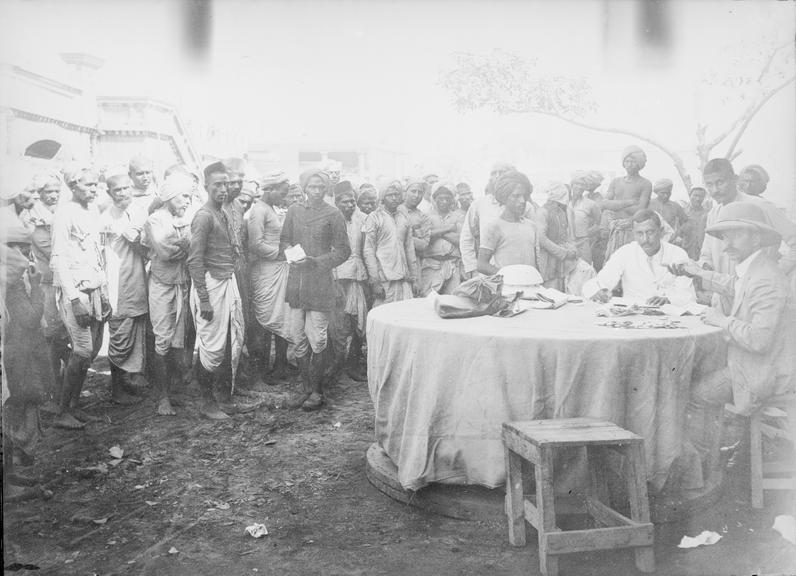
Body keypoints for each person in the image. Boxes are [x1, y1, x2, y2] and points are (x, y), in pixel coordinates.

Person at [673, 203, 795, 482]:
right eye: (725, 237)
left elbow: (760, 339)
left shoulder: (766, 279)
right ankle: (713, 459)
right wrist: (698, 272)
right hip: (753, 363)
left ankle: (702, 470)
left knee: (696, 394)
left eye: (735, 236)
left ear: (756, 238)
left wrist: (721, 320)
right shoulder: (756, 269)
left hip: (765, 371)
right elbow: (733, 286)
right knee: (697, 373)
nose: (727, 244)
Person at [279, 169, 350, 411]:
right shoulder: (294, 211)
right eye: (312, 187)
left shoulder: (334, 214)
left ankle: (317, 391)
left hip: (319, 283)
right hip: (297, 281)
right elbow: (284, 239)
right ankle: (306, 386)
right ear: (304, 188)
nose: (317, 191)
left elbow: (343, 251)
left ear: (327, 189)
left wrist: (316, 262)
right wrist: (292, 254)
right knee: (297, 336)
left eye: (321, 187)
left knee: (317, 338)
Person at [50, 165, 110, 429]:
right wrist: (74, 300)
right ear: (73, 186)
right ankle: (62, 411)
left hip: (95, 287)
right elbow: (59, 259)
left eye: (96, 184)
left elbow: (96, 252)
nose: (94, 189)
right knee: (82, 350)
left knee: (92, 351)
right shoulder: (64, 214)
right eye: (88, 185)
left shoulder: (92, 210)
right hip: (75, 291)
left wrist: (104, 290)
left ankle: (74, 406)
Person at [187, 161, 245, 420]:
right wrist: (204, 299)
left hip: (226, 281)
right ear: (206, 186)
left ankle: (222, 397)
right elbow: (194, 260)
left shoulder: (222, 212)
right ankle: (206, 402)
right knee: (210, 345)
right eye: (217, 185)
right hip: (210, 285)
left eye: (226, 184)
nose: (223, 189)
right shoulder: (203, 216)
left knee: (227, 340)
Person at [699, 159, 796, 302]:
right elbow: (707, 255)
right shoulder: (713, 213)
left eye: (720, 182)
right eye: (709, 185)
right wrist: (701, 269)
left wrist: (776, 272)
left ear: (735, 179)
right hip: (726, 298)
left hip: (760, 296)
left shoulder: (761, 206)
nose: (715, 190)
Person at [1, 223, 52, 498]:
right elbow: (31, 318)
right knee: (14, 409)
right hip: (16, 355)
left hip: (20, 353)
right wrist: (35, 285)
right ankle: (9, 479)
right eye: (17, 251)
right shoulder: (11, 284)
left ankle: (10, 474)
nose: (23, 258)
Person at [142, 173, 194, 416]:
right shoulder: (155, 220)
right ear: (170, 196)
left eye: (190, 197)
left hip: (181, 283)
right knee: (162, 338)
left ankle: (171, 392)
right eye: (184, 196)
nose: (187, 201)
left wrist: (185, 247)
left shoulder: (185, 218)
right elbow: (164, 252)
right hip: (162, 285)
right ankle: (162, 397)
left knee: (178, 339)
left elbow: (193, 247)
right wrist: (185, 246)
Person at [99, 171, 149, 405]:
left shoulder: (136, 211)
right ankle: (117, 391)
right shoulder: (108, 218)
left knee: (134, 332)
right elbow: (142, 245)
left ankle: (128, 382)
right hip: (118, 283)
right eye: (116, 190)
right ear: (109, 193)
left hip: (136, 280)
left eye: (125, 188)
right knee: (120, 336)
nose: (122, 193)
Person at [582, 209, 695, 306]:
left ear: (660, 232)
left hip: (670, 316)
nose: (645, 239)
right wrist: (597, 291)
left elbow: (688, 296)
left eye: (650, 232)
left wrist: (668, 300)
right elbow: (598, 283)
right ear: (634, 234)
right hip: (633, 317)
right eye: (639, 234)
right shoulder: (625, 252)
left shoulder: (677, 254)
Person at [27, 172, 70, 412]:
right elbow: (49, 249)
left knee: (61, 335)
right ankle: (50, 394)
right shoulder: (35, 217)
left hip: (61, 280)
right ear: (40, 194)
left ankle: (59, 389)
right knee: (51, 335)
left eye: (56, 191)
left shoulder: (59, 212)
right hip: (47, 281)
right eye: (48, 192)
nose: (53, 195)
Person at [247, 170, 293, 385]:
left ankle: (281, 365)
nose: (284, 197)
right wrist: (279, 253)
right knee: (264, 320)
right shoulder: (258, 211)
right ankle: (260, 373)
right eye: (282, 193)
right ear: (270, 189)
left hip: (279, 268)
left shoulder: (271, 209)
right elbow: (255, 244)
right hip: (265, 271)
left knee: (281, 315)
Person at [461, 162, 537, 278]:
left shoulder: (526, 207)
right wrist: (472, 268)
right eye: (493, 173)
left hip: (521, 272)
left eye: (502, 172)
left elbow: (532, 242)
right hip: (489, 272)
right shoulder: (479, 204)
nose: (497, 176)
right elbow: (467, 238)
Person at [329, 182, 369, 382]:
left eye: (352, 201)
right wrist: (333, 279)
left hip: (358, 277)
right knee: (338, 324)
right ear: (337, 203)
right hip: (337, 277)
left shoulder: (363, 219)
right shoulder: (330, 220)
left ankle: (353, 363)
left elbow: (366, 249)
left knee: (358, 322)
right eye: (345, 202)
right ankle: (336, 364)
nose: (350, 205)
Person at [363, 180, 418, 306]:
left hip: (404, 279)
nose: (394, 198)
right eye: (390, 195)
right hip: (384, 279)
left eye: (397, 194)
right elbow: (369, 251)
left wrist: (414, 279)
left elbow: (410, 249)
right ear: (383, 197)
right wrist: (375, 281)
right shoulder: (374, 217)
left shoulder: (404, 218)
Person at [476, 171, 539, 275]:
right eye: (516, 196)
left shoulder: (531, 226)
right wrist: (507, 276)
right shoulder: (494, 227)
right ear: (504, 197)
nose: (522, 201)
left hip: (530, 286)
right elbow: (481, 265)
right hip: (507, 289)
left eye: (524, 196)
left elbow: (535, 262)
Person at [602, 146, 652, 260]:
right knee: (613, 261)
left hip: (633, 230)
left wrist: (615, 205)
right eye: (627, 161)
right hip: (615, 229)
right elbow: (605, 204)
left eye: (633, 161)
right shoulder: (615, 182)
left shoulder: (645, 184)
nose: (629, 164)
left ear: (639, 164)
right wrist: (628, 202)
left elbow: (640, 210)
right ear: (623, 163)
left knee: (632, 261)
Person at [419, 182, 464, 296]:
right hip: (431, 265)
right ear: (434, 199)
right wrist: (448, 229)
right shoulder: (426, 216)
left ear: (452, 200)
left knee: (452, 299)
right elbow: (425, 239)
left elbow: (460, 241)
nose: (444, 201)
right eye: (440, 198)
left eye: (447, 199)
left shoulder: (458, 217)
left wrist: (437, 232)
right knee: (427, 298)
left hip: (452, 264)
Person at [536, 181, 578, 290]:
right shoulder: (542, 212)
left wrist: (572, 249)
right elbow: (541, 238)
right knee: (550, 290)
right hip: (547, 260)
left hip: (562, 261)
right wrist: (563, 253)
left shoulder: (563, 212)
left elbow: (568, 235)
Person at [570, 172, 602, 265]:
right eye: (577, 184)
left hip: (583, 242)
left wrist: (586, 233)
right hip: (567, 243)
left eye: (582, 185)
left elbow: (598, 224)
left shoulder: (591, 204)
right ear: (572, 185)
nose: (580, 187)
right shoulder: (564, 202)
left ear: (585, 187)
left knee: (585, 268)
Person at [401, 177, 432, 264]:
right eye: (413, 191)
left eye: (420, 192)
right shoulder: (395, 211)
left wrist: (404, 236)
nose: (416, 195)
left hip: (413, 261)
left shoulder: (423, 217)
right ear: (406, 192)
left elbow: (423, 245)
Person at [681, 186, 709, 260]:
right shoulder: (682, 211)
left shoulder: (707, 214)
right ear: (690, 195)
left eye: (701, 196)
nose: (698, 199)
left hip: (701, 251)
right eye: (695, 195)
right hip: (685, 249)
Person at [128, 155, 157, 226]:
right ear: (130, 175)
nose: (145, 177)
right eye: (140, 174)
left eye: (148, 173)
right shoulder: (125, 196)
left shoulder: (158, 194)